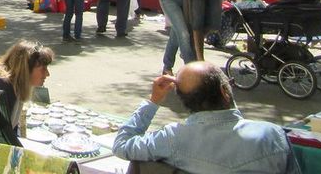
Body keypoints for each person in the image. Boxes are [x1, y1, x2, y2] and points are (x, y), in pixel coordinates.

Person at [113, 61, 300, 174]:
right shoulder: (273, 135)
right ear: (225, 92)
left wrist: (154, 101)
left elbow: (122, 145)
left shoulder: (172, 138)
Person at [0, 41, 54, 147]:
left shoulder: (15, 85)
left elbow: (11, 130)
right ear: (26, 68)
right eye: (43, 69)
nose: (47, 74)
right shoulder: (3, 85)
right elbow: (1, 134)